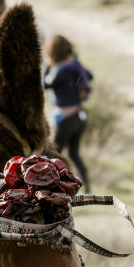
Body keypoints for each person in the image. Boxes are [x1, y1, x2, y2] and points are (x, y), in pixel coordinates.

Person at [43, 35, 93, 191]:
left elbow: (46, 84)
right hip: (79, 115)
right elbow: (90, 76)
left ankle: (53, 189)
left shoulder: (60, 69)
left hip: (65, 119)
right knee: (74, 154)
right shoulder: (74, 66)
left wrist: (47, 67)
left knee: (52, 155)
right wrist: (77, 63)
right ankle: (88, 188)